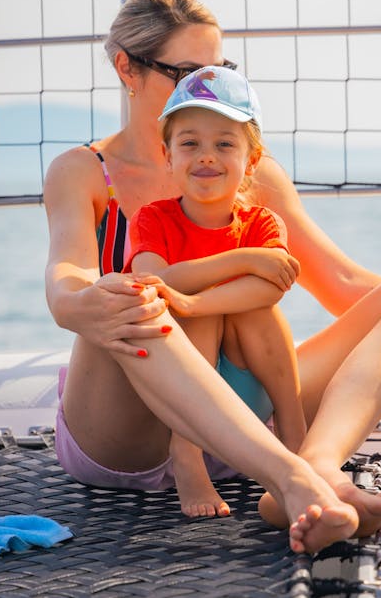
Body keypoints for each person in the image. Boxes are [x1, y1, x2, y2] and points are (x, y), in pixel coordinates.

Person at [43, 0, 381, 554]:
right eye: (187, 72)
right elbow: (66, 278)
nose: (208, 87)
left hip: (245, 415)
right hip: (131, 429)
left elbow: (341, 283)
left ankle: (315, 464)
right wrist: (88, 304)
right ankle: (294, 481)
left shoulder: (252, 169)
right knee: (133, 293)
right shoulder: (84, 170)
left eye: (220, 69)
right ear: (128, 68)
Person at [125, 65, 307, 518]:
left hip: (249, 381)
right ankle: (186, 456)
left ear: (251, 159)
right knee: (197, 313)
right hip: (184, 391)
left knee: (252, 310)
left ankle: (294, 430)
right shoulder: (153, 219)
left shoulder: (263, 223)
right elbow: (152, 279)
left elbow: (269, 292)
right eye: (190, 143)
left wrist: (197, 298)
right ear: (167, 155)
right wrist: (240, 261)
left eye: (224, 144)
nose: (206, 155)